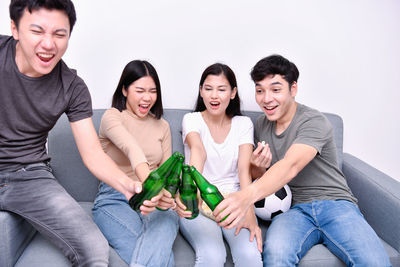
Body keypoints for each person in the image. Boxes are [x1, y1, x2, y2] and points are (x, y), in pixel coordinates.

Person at [0, 1, 142, 266]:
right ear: (15, 29)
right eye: (37, 31)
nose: (48, 44)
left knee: (95, 249)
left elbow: (93, 155)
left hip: (29, 176)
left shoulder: (72, 87)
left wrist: (129, 187)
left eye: (59, 34)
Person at [213, 55, 392, 266]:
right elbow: (261, 176)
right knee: (276, 256)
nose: (266, 98)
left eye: (276, 89)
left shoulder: (314, 120)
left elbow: (291, 165)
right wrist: (256, 168)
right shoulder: (261, 124)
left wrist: (244, 197)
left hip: (334, 204)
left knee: (374, 262)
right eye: (260, 90)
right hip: (291, 211)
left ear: (293, 89)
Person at [92, 60, 179, 267]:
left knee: (165, 224)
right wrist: (151, 185)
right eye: (140, 90)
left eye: (152, 91)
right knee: (162, 258)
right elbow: (133, 149)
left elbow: (168, 174)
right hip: (115, 197)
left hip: (155, 200)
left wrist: (168, 197)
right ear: (124, 90)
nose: (147, 98)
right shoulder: (112, 117)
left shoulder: (163, 126)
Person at [175, 63, 263, 267]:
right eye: (208, 89)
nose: (214, 96)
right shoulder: (192, 119)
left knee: (250, 256)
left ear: (232, 93)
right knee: (212, 256)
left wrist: (249, 213)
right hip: (198, 200)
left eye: (221, 89)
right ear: (201, 91)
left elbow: (244, 170)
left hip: (233, 201)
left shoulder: (244, 124)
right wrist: (193, 191)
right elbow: (198, 151)